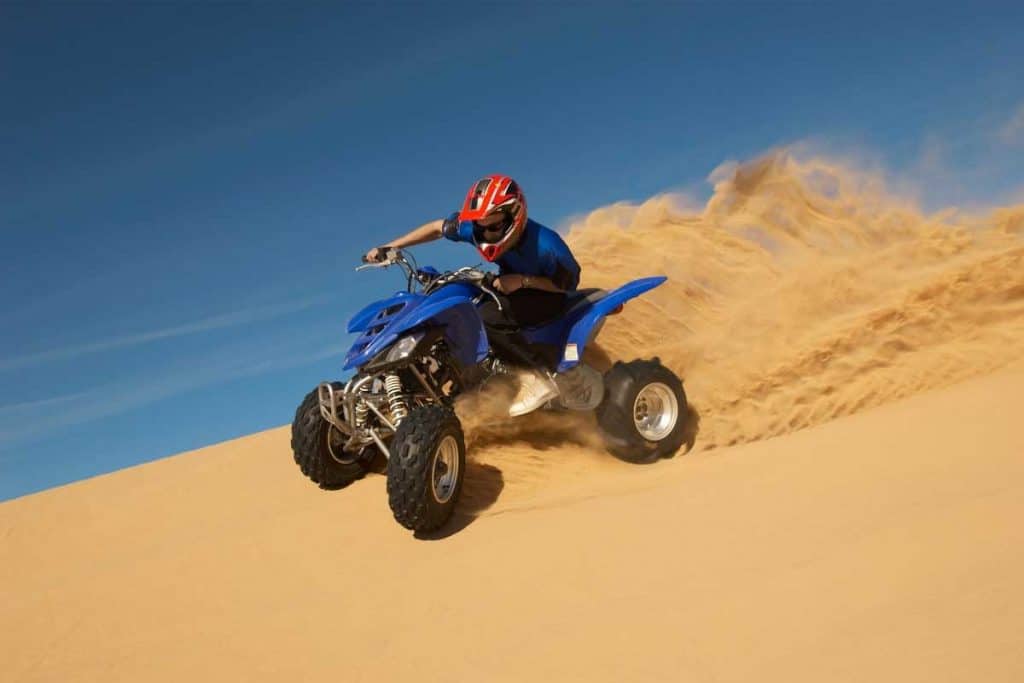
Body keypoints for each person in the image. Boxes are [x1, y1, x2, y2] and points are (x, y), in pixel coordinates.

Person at [364, 174, 581, 416]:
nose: (485, 234)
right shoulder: (477, 227)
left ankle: (537, 377)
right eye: (480, 227)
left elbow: (567, 286)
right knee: (459, 312)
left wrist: (523, 281)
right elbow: (437, 228)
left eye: (493, 227)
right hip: (505, 285)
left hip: (547, 295)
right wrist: (393, 246)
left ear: (514, 216)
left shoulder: (548, 245)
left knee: (484, 318)